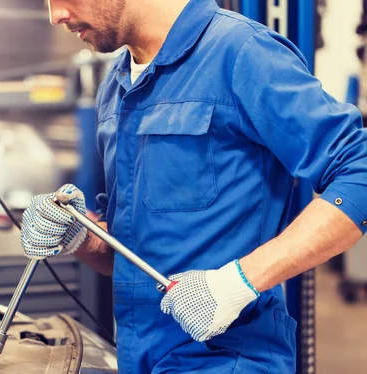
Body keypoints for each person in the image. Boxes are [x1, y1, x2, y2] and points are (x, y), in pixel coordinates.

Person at [20, 0, 367, 372]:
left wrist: (239, 282)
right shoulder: (115, 89)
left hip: (229, 360)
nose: (55, 16)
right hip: (139, 357)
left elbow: (358, 171)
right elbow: (128, 252)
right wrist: (79, 234)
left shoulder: (242, 53)